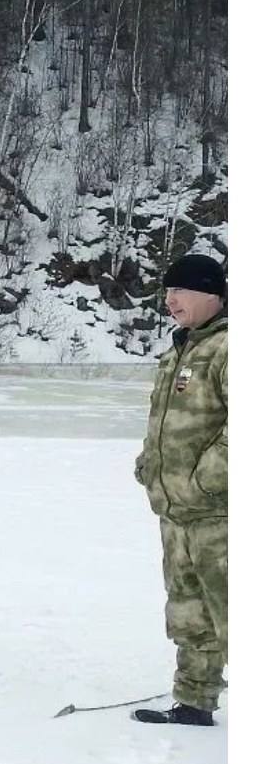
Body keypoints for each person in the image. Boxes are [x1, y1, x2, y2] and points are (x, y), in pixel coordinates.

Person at [132, 253, 227, 728]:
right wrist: (151, 465)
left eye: (180, 290)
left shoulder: (230, 348)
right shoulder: (180, 349)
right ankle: (194, 704)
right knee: (190, 614)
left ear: (211, 292)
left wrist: (207, 478)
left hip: (220, 516)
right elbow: (169, 423)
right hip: (177, 513)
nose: (169, 300)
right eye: (167, 292)